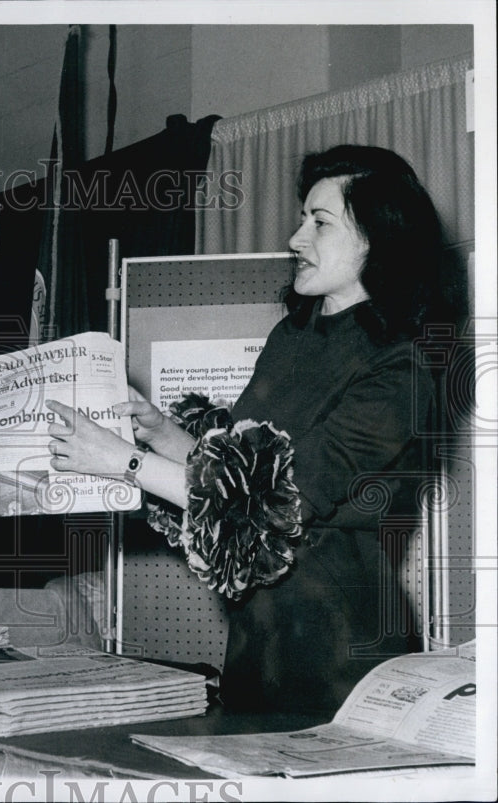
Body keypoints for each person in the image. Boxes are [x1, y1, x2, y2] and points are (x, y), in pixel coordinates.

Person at [48, 144, 454, 714]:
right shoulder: (292, 337)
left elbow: (277, 501)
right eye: (301, 218)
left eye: (320, 222)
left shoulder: (402, 366)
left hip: (339, 652)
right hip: (255, 643)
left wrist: (125, 463)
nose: (295, 238)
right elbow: (238, 472)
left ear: (378, 237)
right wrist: (165, 435)